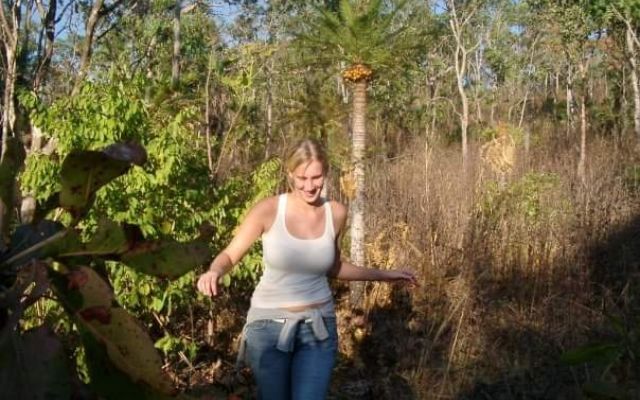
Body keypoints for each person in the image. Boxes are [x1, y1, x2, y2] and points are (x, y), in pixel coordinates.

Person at [196, 139, 417, 400]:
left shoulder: (336, 213)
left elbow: (333, 267)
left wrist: (385, 275)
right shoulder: (268, 210)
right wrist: (214, 272)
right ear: (290, 174)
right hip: (267, 327)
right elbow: (230, 255)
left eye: (317, 177)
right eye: (302, 178)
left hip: (318, 326)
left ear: (326, 173)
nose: (310, 185)